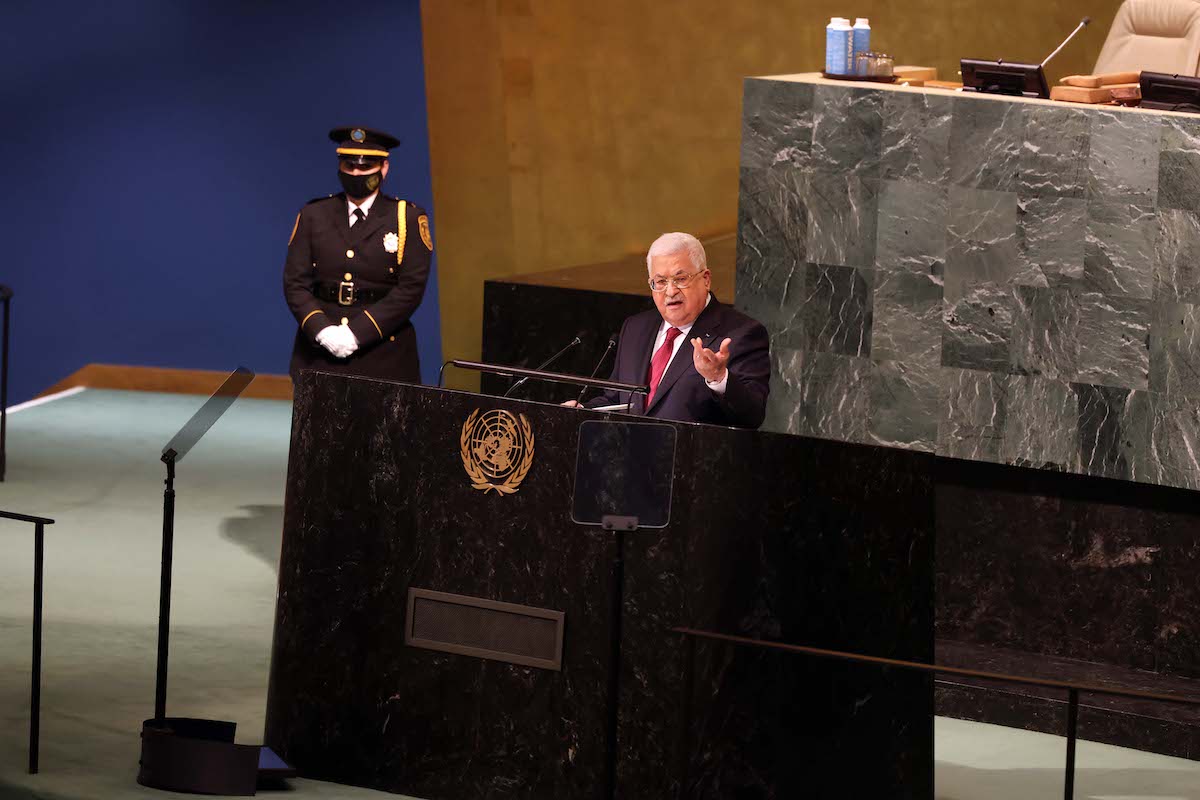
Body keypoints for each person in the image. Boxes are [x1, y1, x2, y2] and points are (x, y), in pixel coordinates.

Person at [283, 126, 433, 383]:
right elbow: (294, 283)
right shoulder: (314, 214)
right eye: (349, 166)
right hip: (320, 353)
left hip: (384, 355)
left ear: (383, 168)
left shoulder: (406, 218)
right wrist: (321, 330)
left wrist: (357, 333)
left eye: (365, 167)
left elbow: (411, 289)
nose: (356, 173)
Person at [573, 232, 770, 428]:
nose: (670, 291)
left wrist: (718, 378)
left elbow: (752, 416)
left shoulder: (741, 334)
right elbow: (616, 399)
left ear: (706, 279)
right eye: (660, 282)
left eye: (681, 279)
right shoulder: (635, 328)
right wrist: (581, 409)